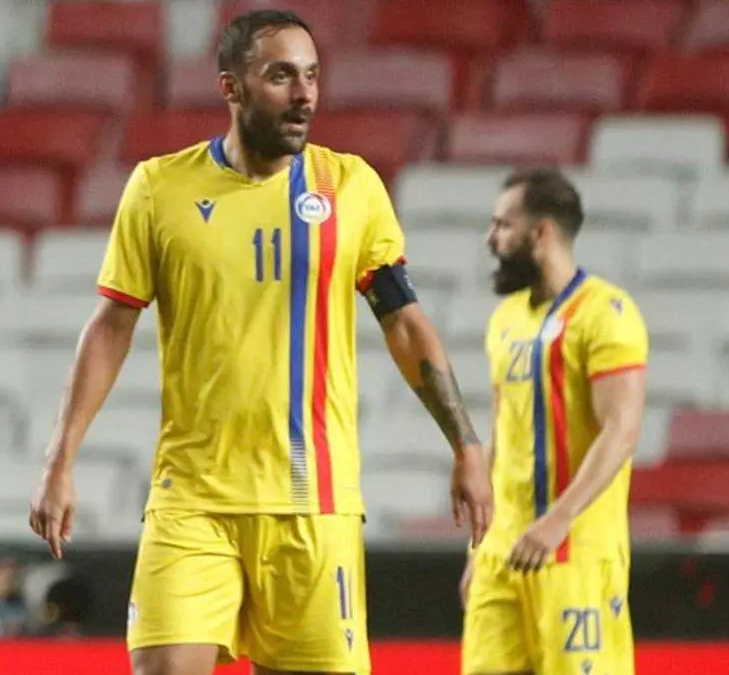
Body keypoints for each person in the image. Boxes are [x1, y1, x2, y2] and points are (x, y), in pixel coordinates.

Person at [28, 9, 493, 675]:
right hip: (192, 499)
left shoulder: (351, 186)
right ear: (232, 87)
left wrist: (466, 445)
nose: (304, 94)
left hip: (313, 502)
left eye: (312, 76)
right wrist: (60, 458)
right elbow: (111, 325)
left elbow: (404, 321)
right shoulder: (160, 188)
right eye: (281, 76)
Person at [460, 167, 648, 675]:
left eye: (503, 225)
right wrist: (479, 546)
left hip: (574, 556)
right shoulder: (505, 320)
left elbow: (622, 430)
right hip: (503, 554)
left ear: (540, 232)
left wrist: (558, 520)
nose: (491, 238)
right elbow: (502, 432)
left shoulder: (606, 314)